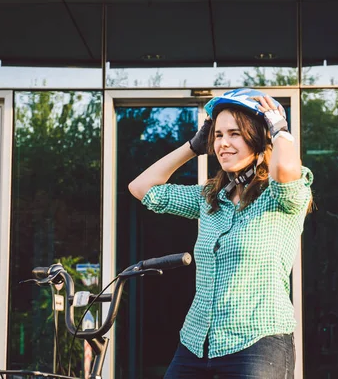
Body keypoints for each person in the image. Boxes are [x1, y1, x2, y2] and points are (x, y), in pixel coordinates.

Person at [128, 88, 313, 378]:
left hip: (257, 342)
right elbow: (142, 189)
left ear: (260, 137)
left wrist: (279, 131)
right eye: (218, 135)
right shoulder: (210, 198)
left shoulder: (280, 197)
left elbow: (286, 169)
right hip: (196, 343)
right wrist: (192, 146)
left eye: (234, 134)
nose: (223, 143)